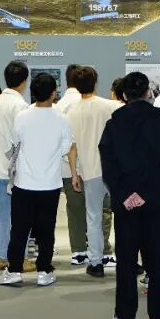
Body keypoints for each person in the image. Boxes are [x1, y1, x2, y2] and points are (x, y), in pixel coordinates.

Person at [100, 72, 160, 319]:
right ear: (148, 92)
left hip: (126, 203)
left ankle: (125, 314)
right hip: (157, 200)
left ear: (123, 95)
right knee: (157, 258)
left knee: (126, 259)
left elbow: (109, 166)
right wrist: (145, 192)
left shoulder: (113, 125)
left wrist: (127, 194)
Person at [0, 73, 78, 288]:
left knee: (19, 229)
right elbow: (66, 147)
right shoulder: (62, 119)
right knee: (46, 230)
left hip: (24, 183)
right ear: (53, 93)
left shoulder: (22, 117)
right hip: (50, 184)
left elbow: (15, 144)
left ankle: (14, 271)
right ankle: (44, 271)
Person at [65, 66, 122, 277]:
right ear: (95, 82)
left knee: (93, 217)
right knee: (124, 216)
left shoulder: (71, 112)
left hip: (90, 171)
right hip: (116, 170)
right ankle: (128, 259)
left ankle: (96, 263)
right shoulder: (111, 106)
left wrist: (74, 174)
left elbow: (72, 148)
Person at [0, 61, 32, 271]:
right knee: (20, 215)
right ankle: (19, 257)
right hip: (15, 167)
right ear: (24, 81)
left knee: (1, 213)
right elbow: (22, 138)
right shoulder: (20, 105)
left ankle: (0, 257)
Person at [57, 65, 89, 265]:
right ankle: (97, 248)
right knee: (94, 208)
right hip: (90, 164)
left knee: (75, 209)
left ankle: (78, 250)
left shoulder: (58, 105)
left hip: (66, 166)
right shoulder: (89, 103)